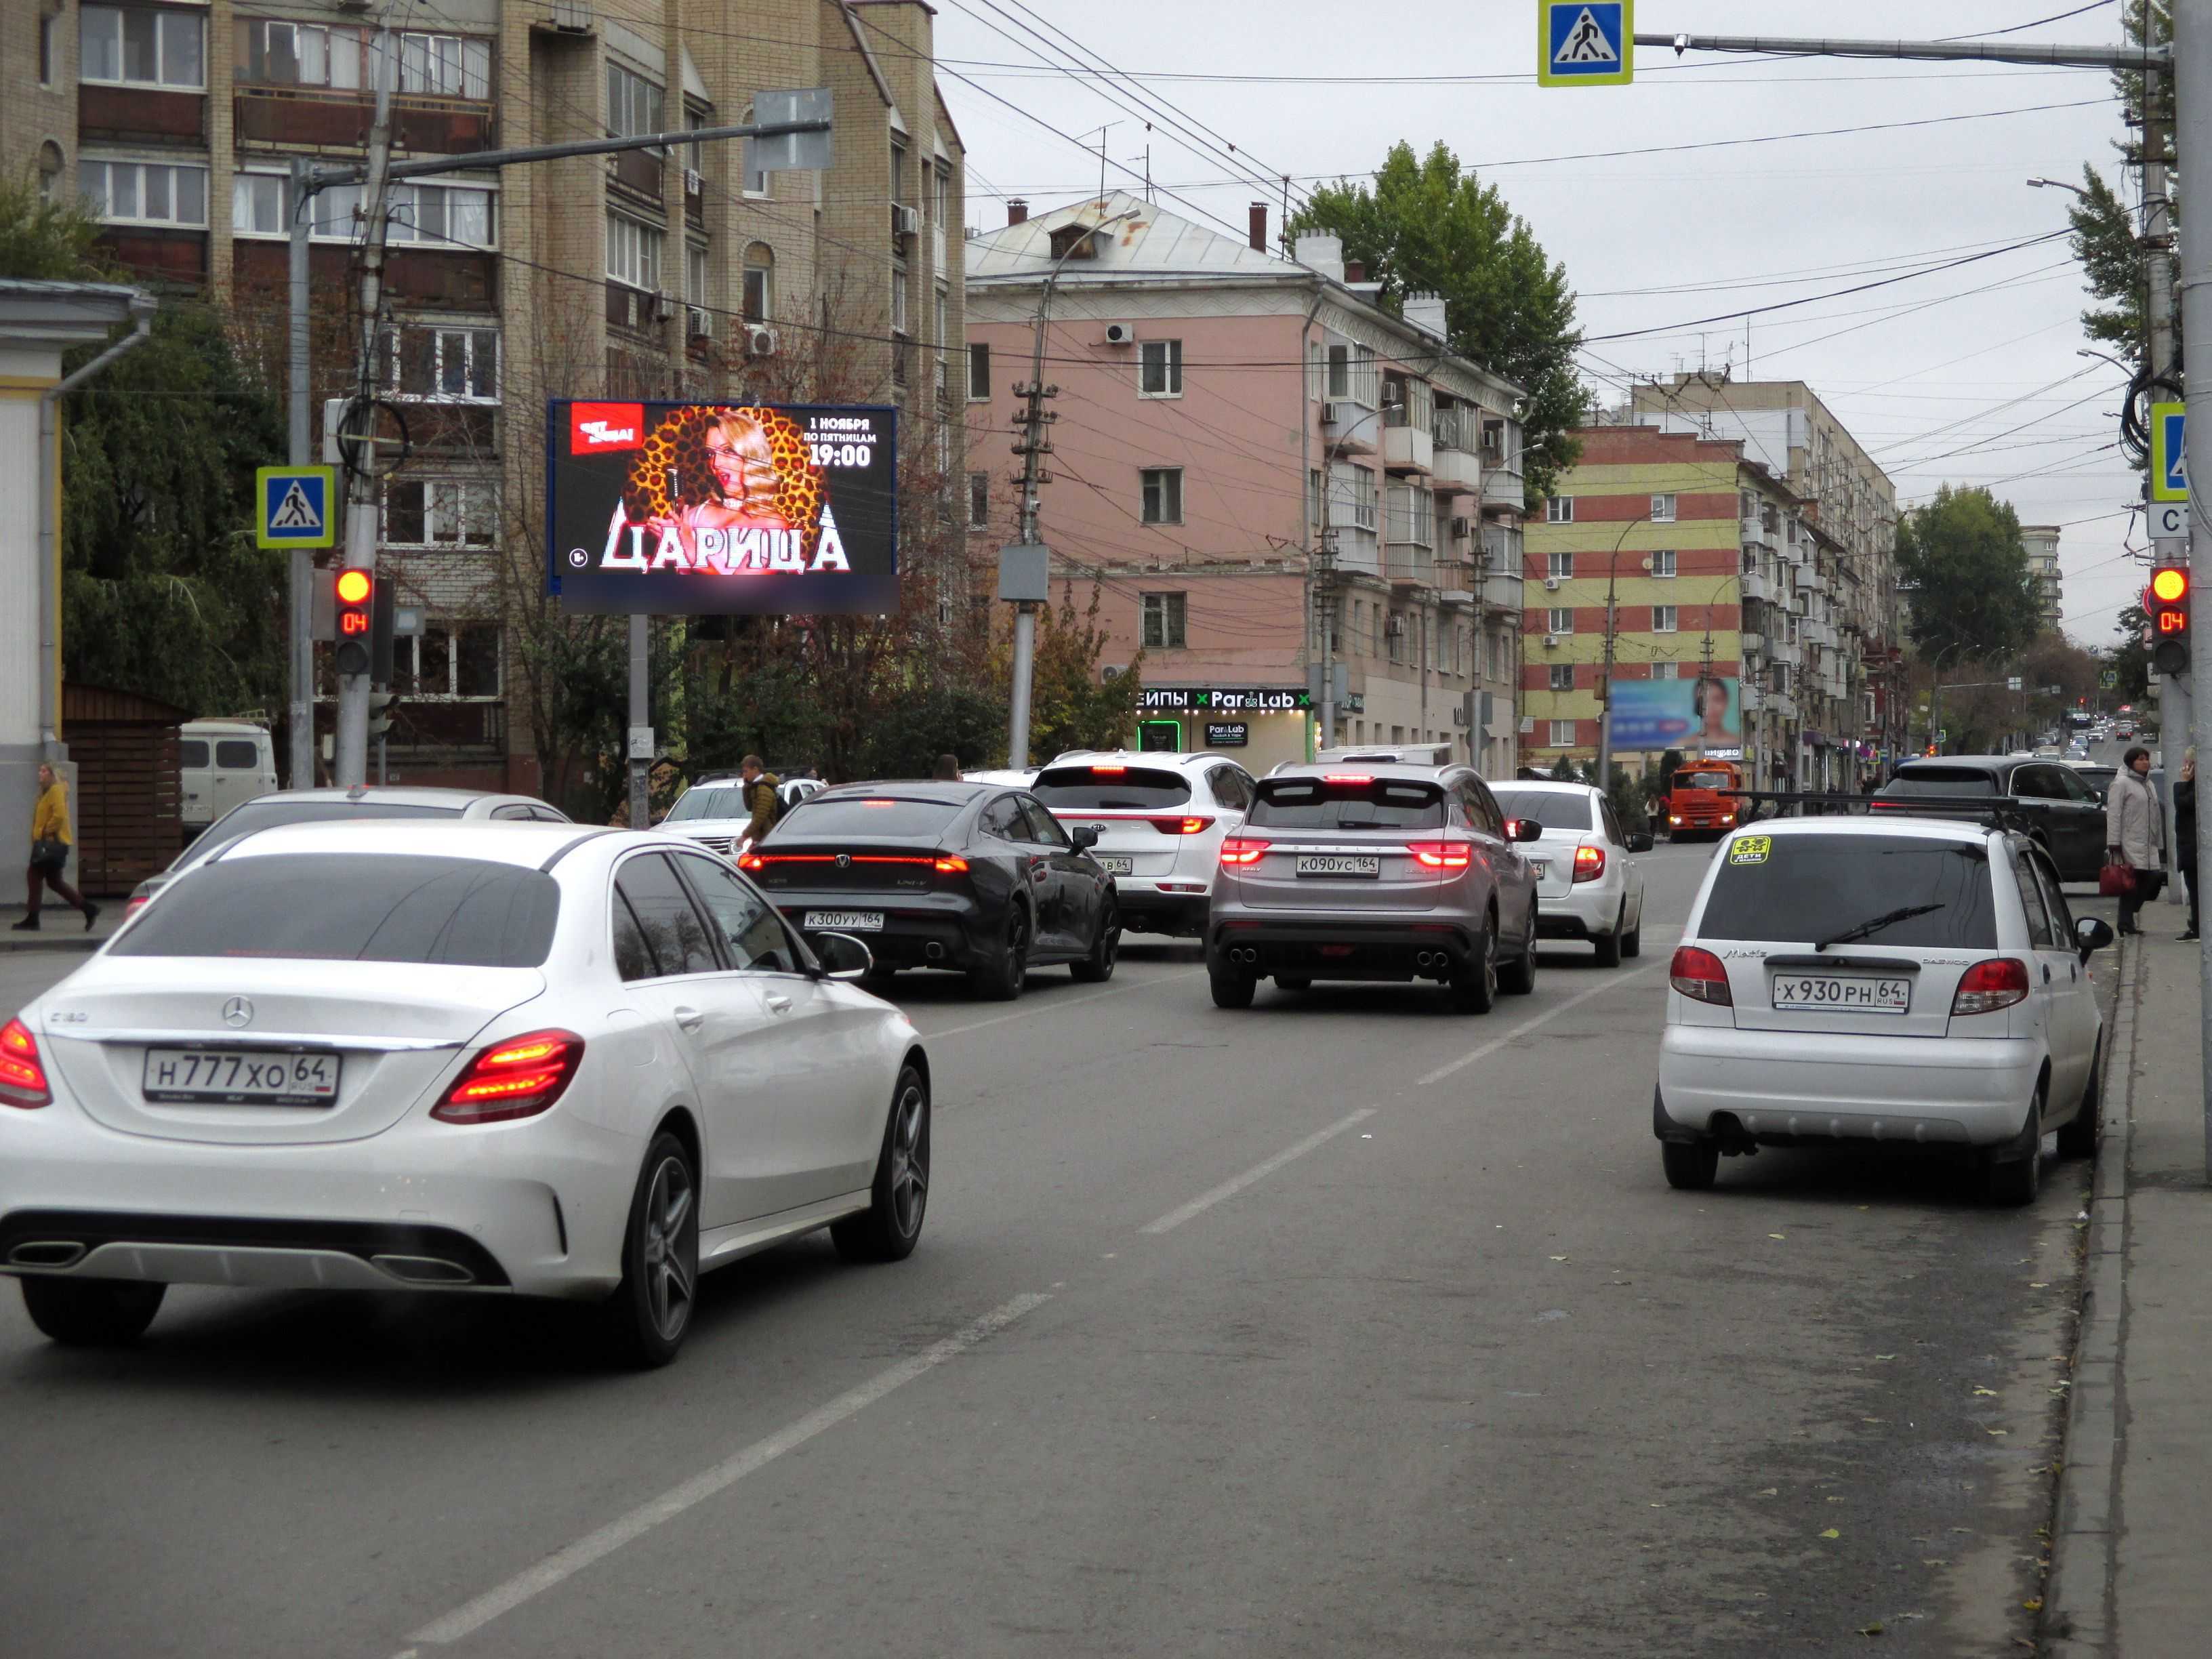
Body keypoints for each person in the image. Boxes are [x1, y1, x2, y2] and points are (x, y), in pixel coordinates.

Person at [15, 763, 98, 933]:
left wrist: (45, 832)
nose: (40, 773)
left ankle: (33, 919)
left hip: (51, 843)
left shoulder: (55, 790)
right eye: (40, 770)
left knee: (34, 876)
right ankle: (88, 908)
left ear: (53, 774)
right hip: (49, 843)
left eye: (44, 771)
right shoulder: (45, 792)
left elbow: (59, 816)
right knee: (54, 882)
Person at [2107, 744, 2167, 936]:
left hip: (2148, 842)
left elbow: (2155, 815)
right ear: (2131, 762)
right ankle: (2126, 922)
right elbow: (2114, 814)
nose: (2145, 762)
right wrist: (2114, 842)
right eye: (2140, 759)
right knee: (2131, 882)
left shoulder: (2149, 784)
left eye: (2146, 759)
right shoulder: (2121, 784)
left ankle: (2127, 917)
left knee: (2152, 877)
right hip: (2129, 841)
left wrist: (2159, 841)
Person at [2178, 750, 2199, 941]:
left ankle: (2198, 928)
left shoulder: (2195, 787)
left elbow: (2183, 804)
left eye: (2187, 763)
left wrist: (2184, 782)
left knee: (2196, 890)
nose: (2184, 766)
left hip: (2193, 848)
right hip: (2190, 846)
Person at [739, 754, 781, 846]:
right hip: (762, 837)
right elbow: (749, 807)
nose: (744, 775)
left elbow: (760, 816)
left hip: (768, 837)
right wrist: (746, 787)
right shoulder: (755, 787)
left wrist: (744, 836)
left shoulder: (763, 789)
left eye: (746, 771)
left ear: (755, 769)